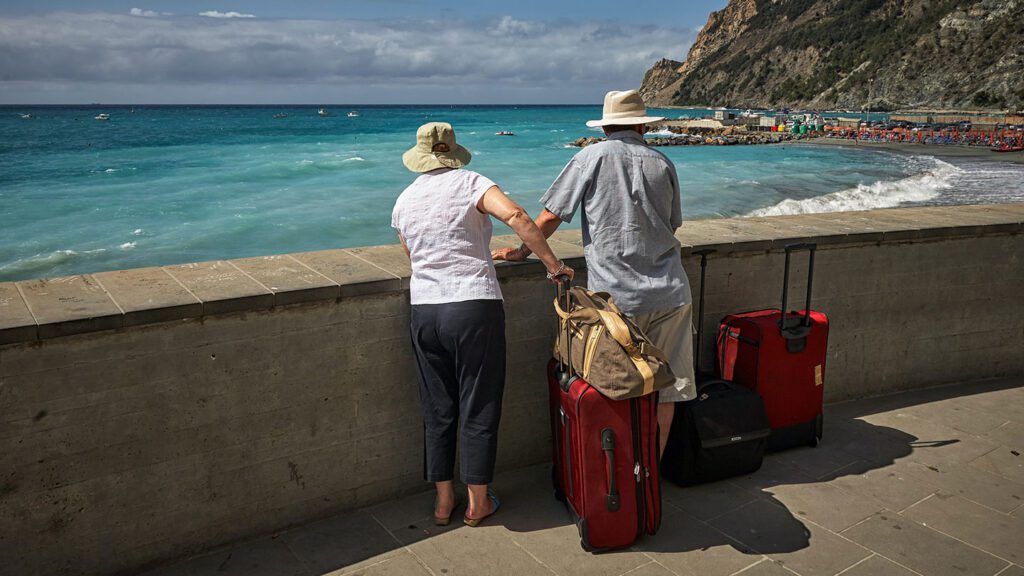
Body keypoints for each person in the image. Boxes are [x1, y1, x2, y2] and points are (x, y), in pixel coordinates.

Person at [493, 90, 695, 457]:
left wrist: (523, 252)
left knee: (617, 387)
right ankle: (650, 476)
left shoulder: (590, 157)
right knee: (670, 390)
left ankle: (621, 478)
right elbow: (672, 225)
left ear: (605, 127)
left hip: (617, 301)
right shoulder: (662, 162)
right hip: (671, 292)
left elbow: (551, 215)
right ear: (642, 125)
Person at [392, 122, 574, 528]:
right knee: (479, 402)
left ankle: (442, 502)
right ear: (453, 152)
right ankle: (477, 502)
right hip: (472, 305)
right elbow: (517, 215)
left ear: (420, 157)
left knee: (437, 407)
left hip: (425, 310)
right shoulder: (471, 182)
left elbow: (412, 254)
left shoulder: (404, 200)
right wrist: (554, 266)